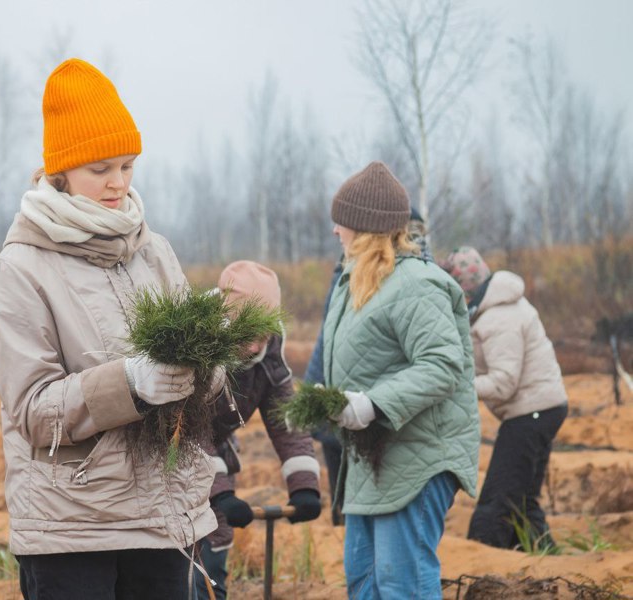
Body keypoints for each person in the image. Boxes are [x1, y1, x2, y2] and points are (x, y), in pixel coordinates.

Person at [0, 58, 217, 600]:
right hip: (72, 530)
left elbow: (193, 387)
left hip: (161, 520)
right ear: (60, 171)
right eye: (100, 168)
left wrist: (216, 354)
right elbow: (34, 411)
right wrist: (130, 384)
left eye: (128, 166)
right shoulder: (20, 269)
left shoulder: (154, 253)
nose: (118, 183)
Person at [321, 161, 479, 599]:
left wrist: (372, 404)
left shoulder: (415, 284)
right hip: (374, 458)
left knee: (401, 584)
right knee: (366, 581)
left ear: (365, 227)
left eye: (343, 221)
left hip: (417, 458)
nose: (336, 231)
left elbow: (443, 364)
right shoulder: (356, 283)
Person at [194, 260, 323, 600]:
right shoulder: (195, 348)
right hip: (172, 456)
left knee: (218, 538)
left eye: (262, 334)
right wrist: (220, 492)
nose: (254, 347)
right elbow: (188, 429)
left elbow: (286, 420)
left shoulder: (271, 357)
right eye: (246, 333)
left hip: (216, 452)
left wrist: (304, 485)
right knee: (183, 551)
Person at [306, 206, 431, 526]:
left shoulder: (416, 279)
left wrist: (372, 404)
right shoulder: (349, 274)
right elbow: (330, 339)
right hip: (345, 406)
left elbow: (435, 364)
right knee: (349, 505)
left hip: (376, 416)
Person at [441, 246, 568, 551]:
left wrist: (456, 388)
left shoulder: (499, 317)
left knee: (498, 500)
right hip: (539, 409)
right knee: (521, 499)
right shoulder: (494, 308)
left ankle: (483, 563)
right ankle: (546, 562)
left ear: (464, 288)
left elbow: (503, 382)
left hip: (532, 412)